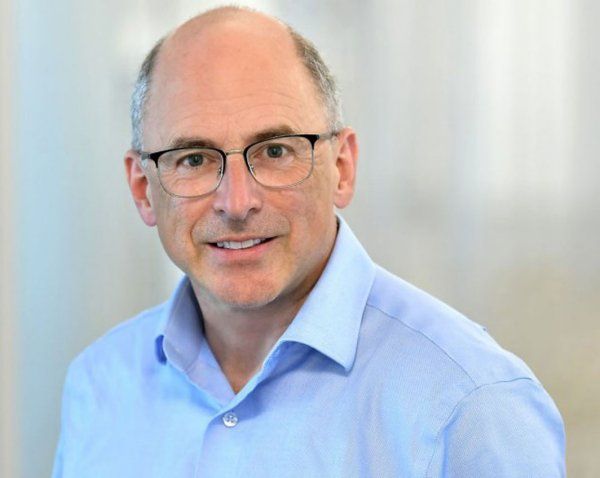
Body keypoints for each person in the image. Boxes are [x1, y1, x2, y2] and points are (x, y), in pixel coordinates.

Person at [52, 6, 565, 477]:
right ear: (143, 190)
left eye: (275, 151)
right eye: (194, 159)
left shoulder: (471, 403)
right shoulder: (98, 384)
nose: (237, 202)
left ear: (342, 167)